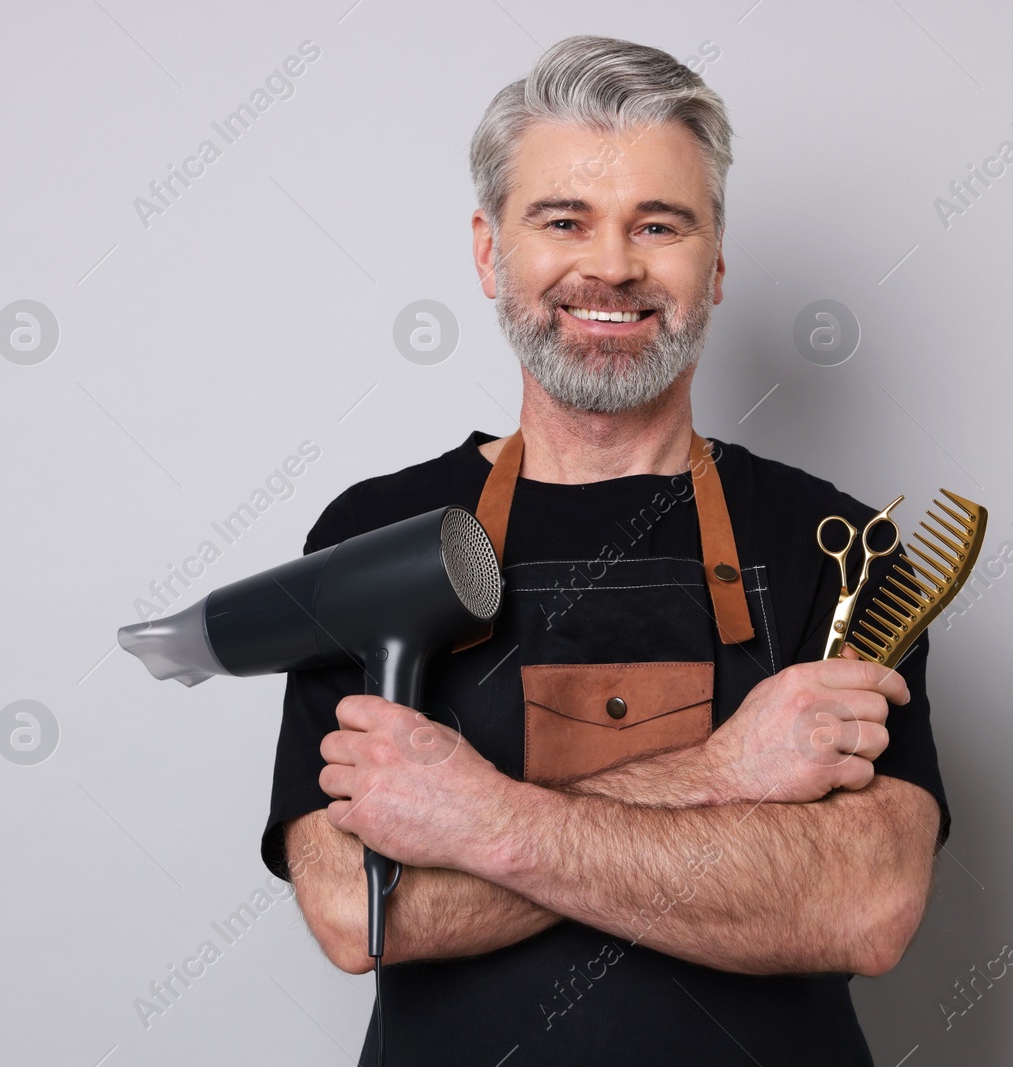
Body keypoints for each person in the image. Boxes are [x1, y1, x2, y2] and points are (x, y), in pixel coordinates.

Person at [261, 34, 950, 1066]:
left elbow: (864, 900)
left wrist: (472, 817)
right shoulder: (373, 540)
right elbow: (360, 910)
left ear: (713, 262)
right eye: (563, 220)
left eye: (658, 224)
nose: (613, 266)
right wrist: (728, 770)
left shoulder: (833, 547)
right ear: (492, 250)